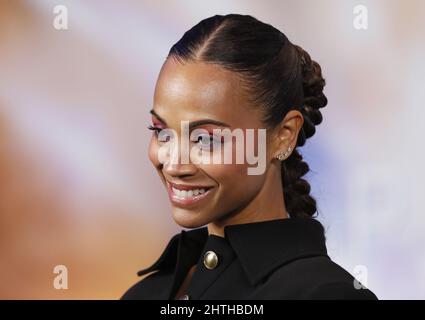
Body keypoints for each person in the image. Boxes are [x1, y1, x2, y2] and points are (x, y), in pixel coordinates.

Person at [121, 14, 378, 300]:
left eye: (205, 139)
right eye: (161, 132)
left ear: (284, 135)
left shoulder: (328, 294)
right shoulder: (145, 294)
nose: (173, 165)